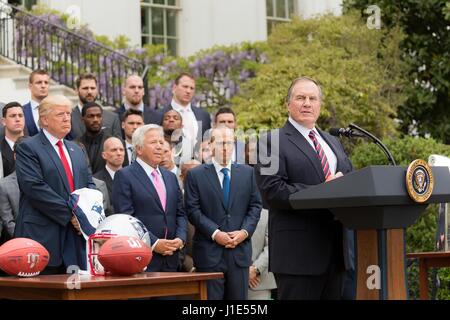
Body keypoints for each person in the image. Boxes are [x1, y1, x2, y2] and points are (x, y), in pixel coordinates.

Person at [254, 76, 354, 300]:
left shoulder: (333, 142)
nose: (307, 103)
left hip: (336, 253)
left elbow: (349, 179)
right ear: (288, 104)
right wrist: (322, 190)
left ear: (320, 105)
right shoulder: (270, 141)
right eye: (300, 98)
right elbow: (272, 191)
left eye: (312, 98)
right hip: (297, 256)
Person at [15, 95, 96, 274]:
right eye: (60, 114)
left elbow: (89, 185)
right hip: (41, 238)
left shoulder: (77, 149)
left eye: (68, 113)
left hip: (75, 240)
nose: (67, 118)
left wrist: (85, 216)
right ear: (44, 120)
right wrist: (72, 215)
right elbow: (34, 187)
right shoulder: (28, 147)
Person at [184, 127, 262, 300]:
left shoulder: (248, 173)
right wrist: (216, 233)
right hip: (209, 254)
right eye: (220, 143)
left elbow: (255, 206)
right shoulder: (195, 175)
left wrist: (244, 232)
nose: (225, 147)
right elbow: (192, 210)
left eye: (229, 142)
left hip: (239, 254)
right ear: (211, 146)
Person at [112, 124, 187, 272]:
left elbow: (180, 213)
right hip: (142, 259)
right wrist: (154, 243)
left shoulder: (170, 177)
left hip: (172, 259)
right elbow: (127, 218)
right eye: (153, 142)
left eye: (161, 142)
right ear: (138, 149)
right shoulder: (124, 176)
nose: (159, 146)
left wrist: (180, 239)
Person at [159, 73, 211, 146]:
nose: (188, 91)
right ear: (174, 88)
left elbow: (207, 142)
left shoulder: (203, 115)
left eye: (191, 88)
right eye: (185, 86)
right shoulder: (160, 114)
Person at [69, 73, 122, 140]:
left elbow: (118, 146)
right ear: (76, 91)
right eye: (85, 88)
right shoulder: (69, 117)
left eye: (93, 88)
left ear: (97, 90)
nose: (89, 92)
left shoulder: (112, 118)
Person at [0, 136, 26, 245]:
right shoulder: (4, 185)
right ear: (15, 156)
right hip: (19, 243)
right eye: (24, 155)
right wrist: (26, 241)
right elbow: (8, 222)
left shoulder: (47, 180)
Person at [77, 102, 111, 174]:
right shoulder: (75, 145)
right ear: (82, 119)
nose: (95, 119)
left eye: (99, 116)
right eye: (91, 116)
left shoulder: (112, 142)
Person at [93, 136, 125, 215]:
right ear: (104, 155)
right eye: (114, 150)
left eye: (121, 150)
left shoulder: (133, 176)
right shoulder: (96, 180)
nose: (119, 153)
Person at [22, 69, 49, 137]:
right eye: (39, 82)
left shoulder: (57, 109)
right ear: (30, 86)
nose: (43, 86)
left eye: (46, 82)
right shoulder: (22, 111)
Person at [1, 102, 25, 177]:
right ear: (3, 121)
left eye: (20, 116)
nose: (17, 119)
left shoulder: (37, 145)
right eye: (13, 116)